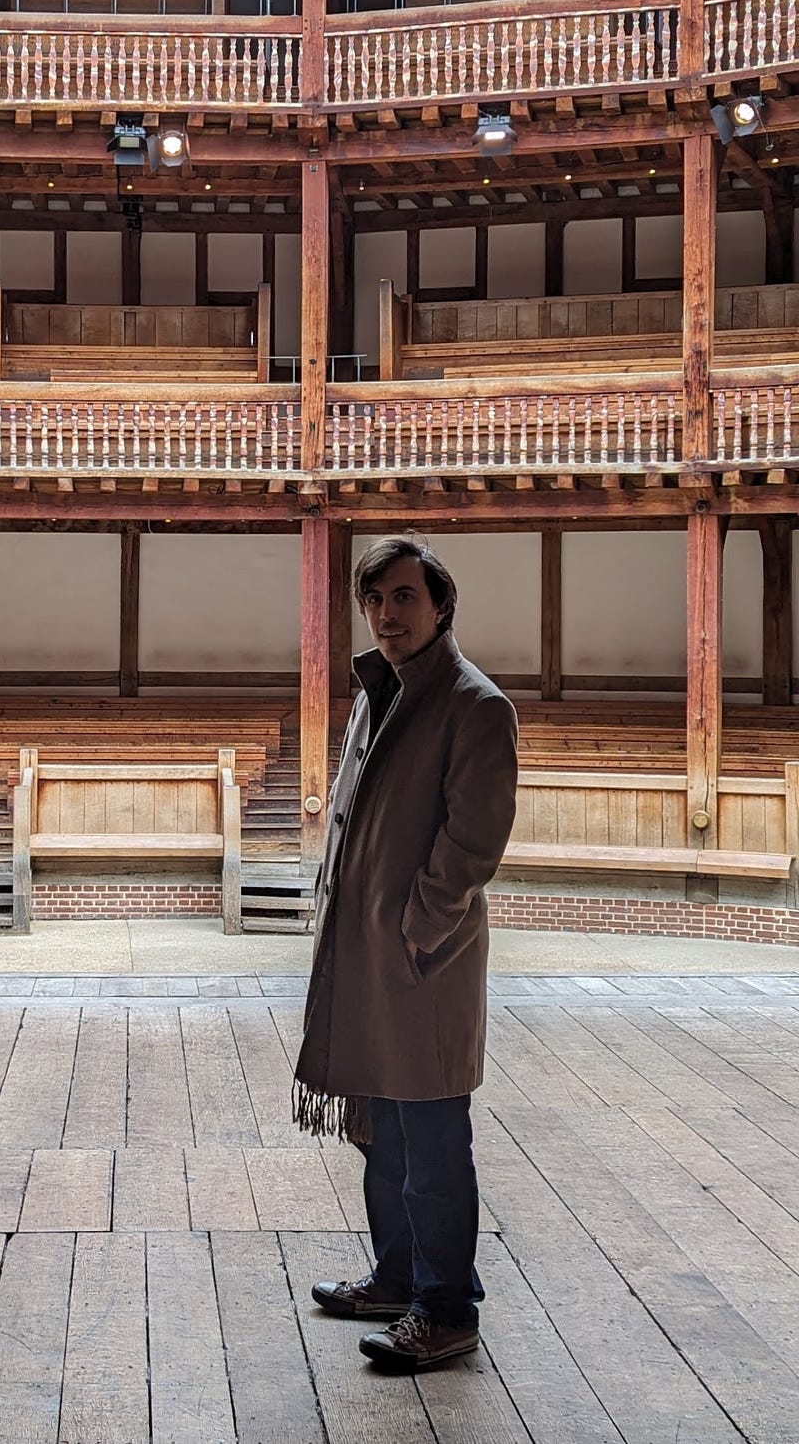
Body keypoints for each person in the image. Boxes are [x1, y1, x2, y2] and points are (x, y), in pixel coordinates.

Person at [293, 535, 518, 1373]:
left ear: (440, 605)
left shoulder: (474, 704)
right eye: (375, 601)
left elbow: (473, 840)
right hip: (368, 960)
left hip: (425, 964)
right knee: (383, 1133)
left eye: (403, 598)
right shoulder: (376, 693)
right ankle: (395, 1278)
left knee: (430, 1141)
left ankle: (446, 1307)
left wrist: (416, 928)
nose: (387, 615)